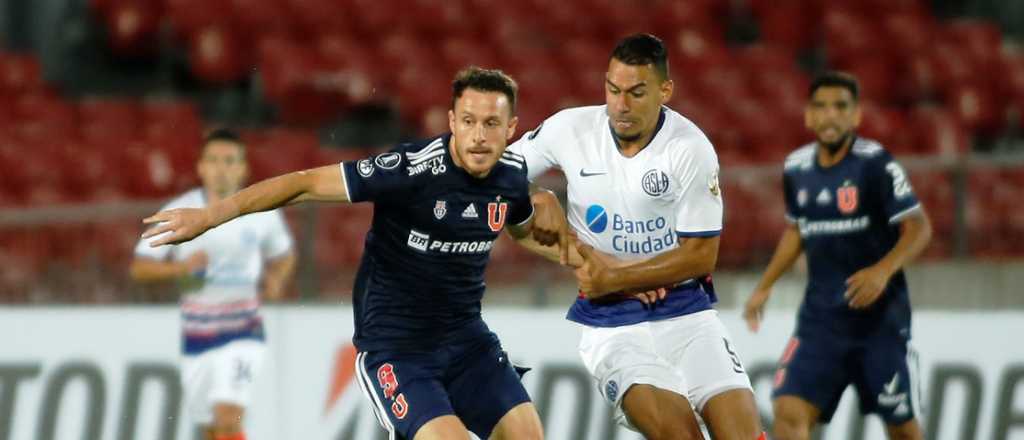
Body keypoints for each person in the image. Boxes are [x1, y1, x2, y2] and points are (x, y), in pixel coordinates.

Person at [141, 67, 548, 440]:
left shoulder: (512, 179)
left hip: (468, 342)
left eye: (491, 123)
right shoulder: (408, 170)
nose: (478, 135)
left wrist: (580, 253)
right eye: (469, 121)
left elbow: (529, 227)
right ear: (451, 122)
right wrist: (210, 217)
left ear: (511, 127)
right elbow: (304, 184)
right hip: (398, 350)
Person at [509, 33, 764, 440]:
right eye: (613, 90)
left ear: (665, 91)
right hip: (612, 323)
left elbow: (701, 256)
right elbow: (488, 175)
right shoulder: (569, 129)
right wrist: (533, 196)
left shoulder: (689, 148)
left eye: (636, 92)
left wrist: (619, 275)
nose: (621, 105)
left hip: (688, 314)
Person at [743, 71, 932, 440]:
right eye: (821, 107)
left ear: (856, 116)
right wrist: (764, 286)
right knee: (788, 410)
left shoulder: (874, 163)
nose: (830, 115)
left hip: (878, 323)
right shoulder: (796, 168)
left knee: (902, 428)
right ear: (808, 116)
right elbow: (797, 230)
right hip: (821, 323)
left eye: (840, 107)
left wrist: (882, 271)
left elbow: (920, 227)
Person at [130, 128, 297, 440]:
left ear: (243, 168)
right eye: (214, 160)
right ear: (201, 167)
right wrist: (179, 269)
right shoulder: (179, 211)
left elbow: (283, 255)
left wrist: (276, 278)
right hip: (197, 335)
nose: (222, 168)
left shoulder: (261, 211)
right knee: (211, 428)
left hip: (243, 331)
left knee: (227, 416)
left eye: (230, 161)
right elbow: (140, 268)